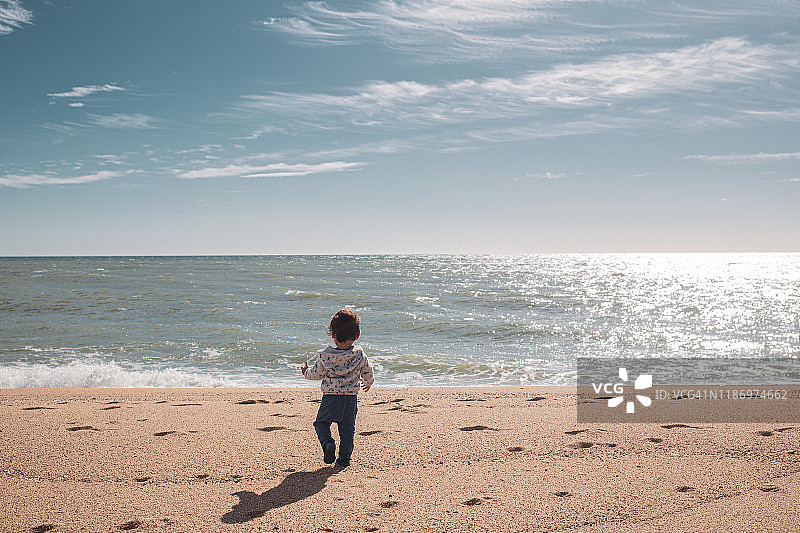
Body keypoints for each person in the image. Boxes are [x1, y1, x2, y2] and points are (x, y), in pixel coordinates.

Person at [301, 308, 374, 468]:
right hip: (350, 400)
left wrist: (306, 372)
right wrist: (368, 382)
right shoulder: (359, 355)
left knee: (321, 423)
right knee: (347, 431)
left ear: (332, 334)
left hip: (330, 399)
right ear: (357, 335)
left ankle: (328, 443)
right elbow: (368, 371)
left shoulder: (326, 356)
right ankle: (344, 460)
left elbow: (316, 374)